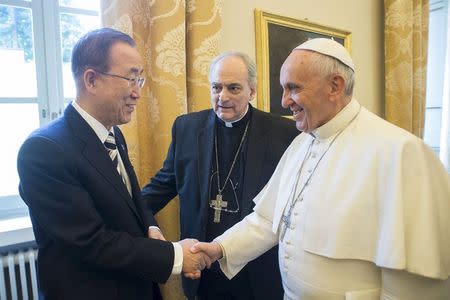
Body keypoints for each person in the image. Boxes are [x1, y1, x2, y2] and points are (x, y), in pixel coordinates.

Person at [191, 38, 450, 299]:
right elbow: (269, 220)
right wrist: (220, 248)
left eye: (293, 88)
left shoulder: (400, 152)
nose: (283, 101)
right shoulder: (301, 143)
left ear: (334, 86)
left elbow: (413, 286)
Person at [17, 28, 209, 300]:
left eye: (139, 80)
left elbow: (130, 199)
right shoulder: (43, 151)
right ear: (92, 80)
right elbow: (91, 242)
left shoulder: (113, 133)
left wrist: (150, 227)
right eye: (131, 78)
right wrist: (176, 256)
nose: (137, 93)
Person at [141, 51, 298, 299]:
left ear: (252, 91)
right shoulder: (187, 128)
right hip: (202, 269)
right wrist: (147, 221)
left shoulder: (283, 133)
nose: (222, 97)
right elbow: (159, 188)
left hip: (257, 273)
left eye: (233, 88)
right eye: (216, 87)